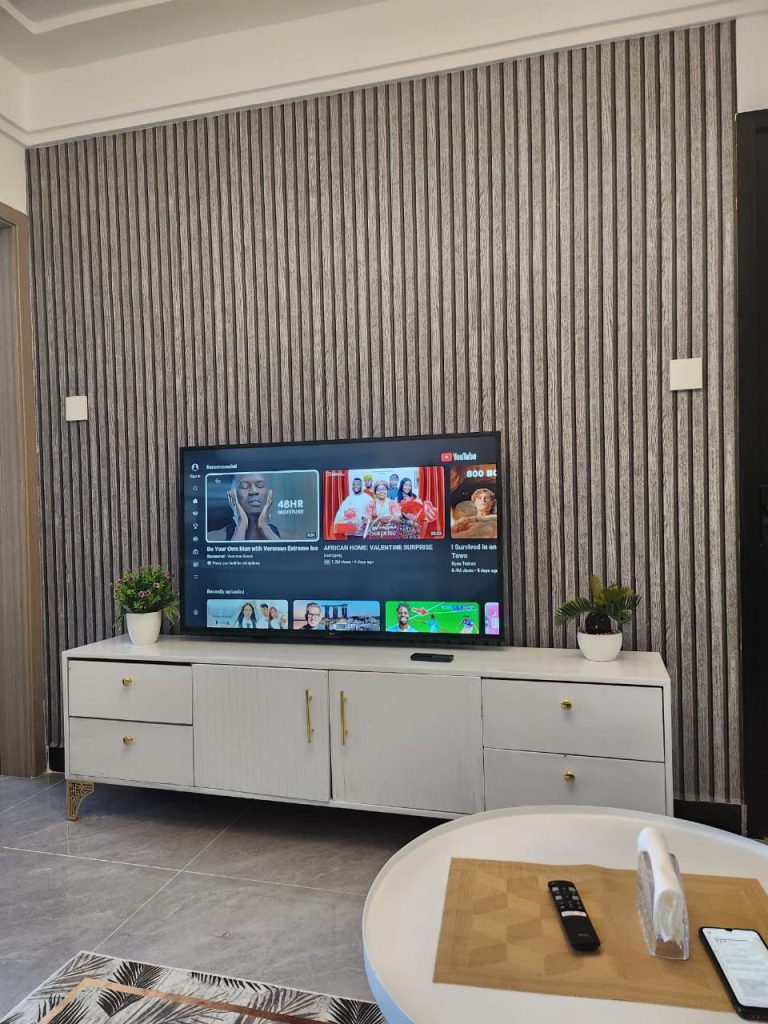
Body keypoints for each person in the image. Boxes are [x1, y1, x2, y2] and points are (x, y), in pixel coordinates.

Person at [208, 473, 281, 541]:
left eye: (260, 485)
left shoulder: (289, 537)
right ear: (233, 495)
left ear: (269, 494)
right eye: (244, 486)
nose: (253, 491)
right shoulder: (213, 538)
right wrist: (241, 526)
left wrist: (264, 527)